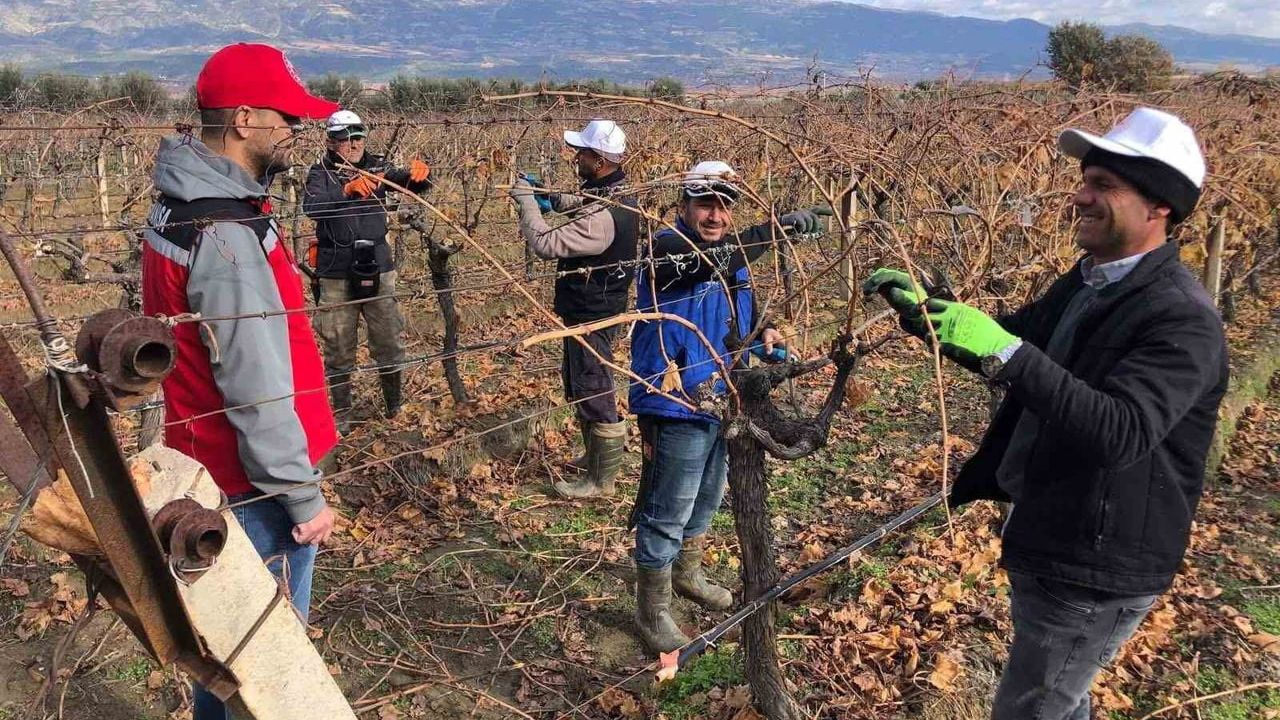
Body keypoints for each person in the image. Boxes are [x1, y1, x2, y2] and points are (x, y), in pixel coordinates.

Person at [864, 107, 1228, 720]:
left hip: (1096, 564)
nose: (1079, 198)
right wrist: (931, 314)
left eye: (1103, 185)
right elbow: (1018, 338)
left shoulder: (1181, 317)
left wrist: (1003, 350)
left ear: (1160, 205)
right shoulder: (1090, 281)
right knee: (1060, 697)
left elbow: (1121, 432)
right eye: (1084, 182)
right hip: (1057, 531)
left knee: (1033, 708)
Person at [139, 43, 341, 720]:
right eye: (287, 117)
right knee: (267, 672)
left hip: (209, 467)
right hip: (254, 487)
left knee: (226, 663)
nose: (296, 131)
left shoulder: (183, 205)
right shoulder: (225, 232)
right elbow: (255, 384)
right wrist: (300, 496)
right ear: (246, 119)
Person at [627, 161, 830, 652]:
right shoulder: (665, 249)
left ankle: (687, 573)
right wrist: (775, 230)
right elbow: (706, 263)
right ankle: (652, 610)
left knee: (707, 496)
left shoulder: (732, 256)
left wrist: (765, 333)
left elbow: (741, 307)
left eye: (723, 206)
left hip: (723, 396)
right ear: (684, 205)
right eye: (705, 204)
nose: (715, 215)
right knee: (668, 506)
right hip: (674, 400)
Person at [508, 119, 638, 499]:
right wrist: (552, 197)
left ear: (598, 160)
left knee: (593, 386)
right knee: (580, 382)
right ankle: (593, 457)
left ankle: (600, 480)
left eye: (581, 152)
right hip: (592, 304)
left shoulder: (604, 217)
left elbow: (545, 243)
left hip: (592, 312)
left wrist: (526, 200)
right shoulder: (618, 193)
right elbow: (586, 204)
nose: (575, 157)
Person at [303, 110, 431, 433]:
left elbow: (405, 182)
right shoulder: (320, 173)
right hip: (335, 271)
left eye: (359, 136)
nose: (355, 143)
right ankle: (343, 413)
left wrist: (420, 176)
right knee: (337, 345)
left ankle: (394, 407)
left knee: (388, 339)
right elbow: (311, 207)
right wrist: (346, 190)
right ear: (331, 142)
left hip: (378, 268)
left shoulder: (377, 167)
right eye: (346, 138)